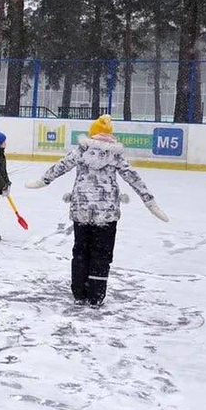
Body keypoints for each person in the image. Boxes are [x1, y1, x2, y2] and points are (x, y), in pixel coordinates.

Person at [26, 114, 169, 306]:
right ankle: (96, 296)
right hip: (107, 214)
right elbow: (133, 178)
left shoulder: (81, 151)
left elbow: (61, 166)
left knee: (80, 252)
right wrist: (149, 202)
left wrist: (42, 181)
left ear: (92, 134)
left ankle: (79, 293)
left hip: (81, 211)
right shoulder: (115, 155)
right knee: (102, 255)